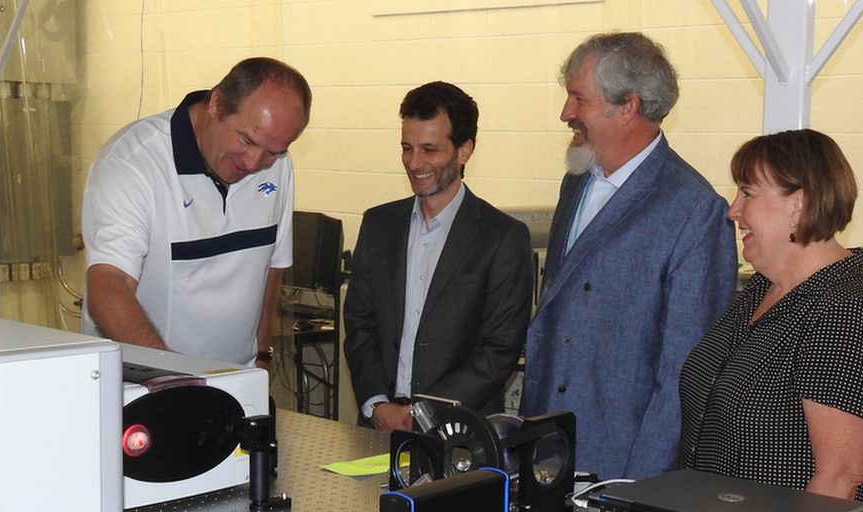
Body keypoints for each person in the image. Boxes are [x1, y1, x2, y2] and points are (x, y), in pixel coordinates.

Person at [677, 129, 863, 512]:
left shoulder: (845, 312)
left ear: (797, 205)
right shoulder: (762, 293)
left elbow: (839, 480)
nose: (733, 210)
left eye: (748, 193)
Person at [519, 32, 738, 480]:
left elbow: (685, 373)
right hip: (545, 453)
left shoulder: (694, 212)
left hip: (622, 467)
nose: (566, 113)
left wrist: (640, 488)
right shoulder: (576, 182)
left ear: (628, 106)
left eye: (578, 99)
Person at [81, 57, 311, 368]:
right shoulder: (132, 163)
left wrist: (261, 354)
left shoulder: (279, 166)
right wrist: (174, 379)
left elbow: (271, 265)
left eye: (273, 151)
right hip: (141, 383)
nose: (254, 163)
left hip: (233, 381)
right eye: (246, 140)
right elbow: (109, 285)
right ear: (216, 104)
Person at [344, 82, 534, 433]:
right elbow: (360, 323)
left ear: (464, 151)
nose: (415, 163)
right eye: (407, 148)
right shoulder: (378, 224)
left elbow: (499, 350)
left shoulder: (502, 237)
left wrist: (422, 414)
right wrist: (376, 404)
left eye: (429, 149)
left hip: (458, 431)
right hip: (379, 424)